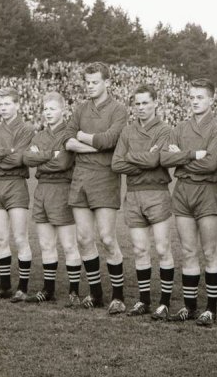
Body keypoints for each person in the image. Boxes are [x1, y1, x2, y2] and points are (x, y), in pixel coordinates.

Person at [160, 78, 217, 326]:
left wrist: (181, 158)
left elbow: (211, 164)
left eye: (200, 97)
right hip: (183, 191)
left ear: (211, 99)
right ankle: (189, 307)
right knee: (188, 251)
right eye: (191, 97)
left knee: (209, 251)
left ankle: (211, 309)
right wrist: (190, 156)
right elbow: (165, 159)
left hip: (207, 191)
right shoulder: (180, 127)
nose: (195, 102)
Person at [64, 62, 128, 313]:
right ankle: (96, 293)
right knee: (83, 238)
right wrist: (96, 147)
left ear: (107, 82)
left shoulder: (118, 110)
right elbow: (67, 140)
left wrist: (83, 137)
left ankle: (118, 297)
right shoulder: (80, 109)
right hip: (80, 177)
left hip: (105, 177)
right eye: (87, 82)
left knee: (108, 238)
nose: (90, 86)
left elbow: (110, 140)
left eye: (95, 82)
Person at [111, 84, 175, 318]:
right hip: (133, 194)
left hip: (157, 193)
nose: (140, 107)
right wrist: (144, 159)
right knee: (139, 249)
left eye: (145, 103)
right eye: (137, 103)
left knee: (163, 248)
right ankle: (144, 300)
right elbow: (116, 164)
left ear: (155, 103)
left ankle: (164, 303)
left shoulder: (165, 129)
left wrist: (131, 157)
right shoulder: (127, 131)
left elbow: (155, 161)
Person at [22, 92, 83, 304]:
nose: (48, 113)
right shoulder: (39, 135)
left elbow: (63, 163)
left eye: (52, 109)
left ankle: (74, 292)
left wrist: (41, 157)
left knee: (68, 244)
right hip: (42, 191)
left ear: (63, 110)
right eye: (45, 109)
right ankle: (48, 290)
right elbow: (27, 158)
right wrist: (51, 154)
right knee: (46, 244)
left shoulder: (68, 134)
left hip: (62, 190)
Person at [0, 87, 35, 301]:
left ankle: (23, 288)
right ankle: (4, 286)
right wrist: (4, 152)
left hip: (16, 184)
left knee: (20, 238)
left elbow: (18, 159)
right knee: (0, 239)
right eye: (0, 104)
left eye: (7, 104)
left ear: (17, 105)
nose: (3, 108)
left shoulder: (27, 129)